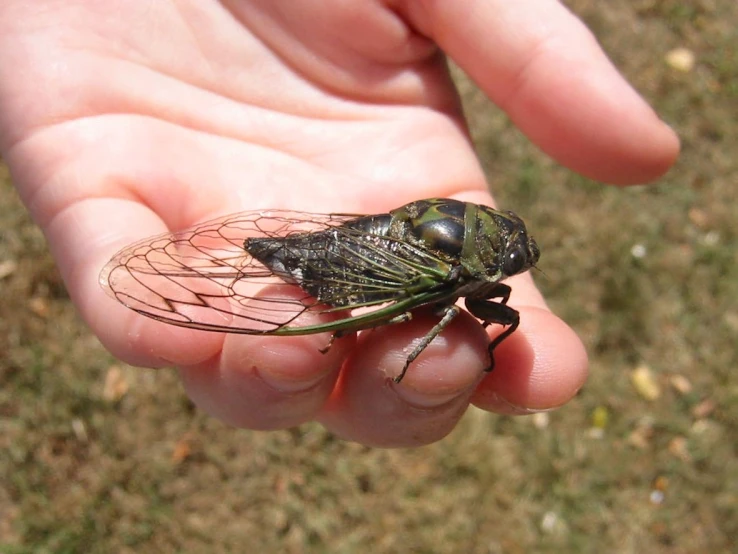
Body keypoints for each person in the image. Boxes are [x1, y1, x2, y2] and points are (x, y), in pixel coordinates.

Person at [0, 1, 678, 447]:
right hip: (355, 265)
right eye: (502, 261)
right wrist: (429, 334)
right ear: (485, 262)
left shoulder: (469, 250)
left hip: (373, 237)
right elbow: (454, 311)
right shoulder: (465, 280)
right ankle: (291, 279)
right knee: (370, 325)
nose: (506, 275)